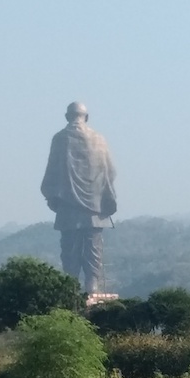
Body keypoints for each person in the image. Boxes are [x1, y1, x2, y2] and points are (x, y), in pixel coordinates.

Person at [40, 101, 117, 296]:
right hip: (95, 206)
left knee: (70, 250)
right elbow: (111, 171)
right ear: (86, 117)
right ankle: (92, 286)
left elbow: (52, 170)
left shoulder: (60, 138)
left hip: (68, 206)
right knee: (94, 249)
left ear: (67, 117)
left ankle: (70, 288)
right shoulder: (99, 139)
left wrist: (52, 194)